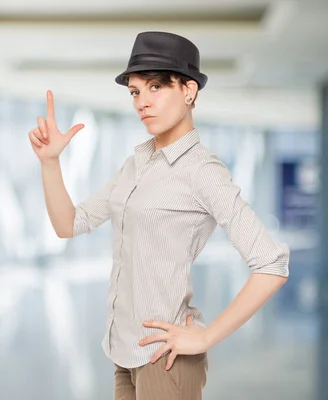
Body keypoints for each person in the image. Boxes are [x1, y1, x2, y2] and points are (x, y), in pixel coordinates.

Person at [27, 31, 290, 400]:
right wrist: (50, 162)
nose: (142, 102)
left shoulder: (203, 171)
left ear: (189, 91)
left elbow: (272, 264)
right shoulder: (135, 164)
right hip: (123, 354)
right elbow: (69, 223)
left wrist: (205, 336)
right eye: (135, 91)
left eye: (155, 87)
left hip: (165, 360)